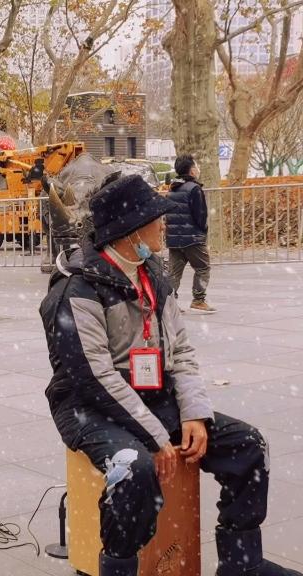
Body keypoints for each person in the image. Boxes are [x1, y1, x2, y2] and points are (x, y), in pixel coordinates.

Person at [39, 175, 296, 576]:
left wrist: (194, 414)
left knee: (248, 445)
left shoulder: (153, 274)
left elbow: (182, 352)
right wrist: (156, 436)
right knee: (134, 468)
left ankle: (242, 564)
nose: (164, 225)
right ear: (130, 230)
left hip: (154, 396)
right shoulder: (77, 289)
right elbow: (94, 378)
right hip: (87, 407)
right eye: (156, 218)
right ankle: (119, 568)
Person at [166, 155, 215, 313]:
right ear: (192, 171)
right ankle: (198, 300)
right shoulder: (194, 189)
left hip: (174, 238)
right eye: (196, 167)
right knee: (203, 268)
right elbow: (200, 215)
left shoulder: (172, 189)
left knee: (174, 272)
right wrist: (203, 231)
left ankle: (169, 304)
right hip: (192, 237)